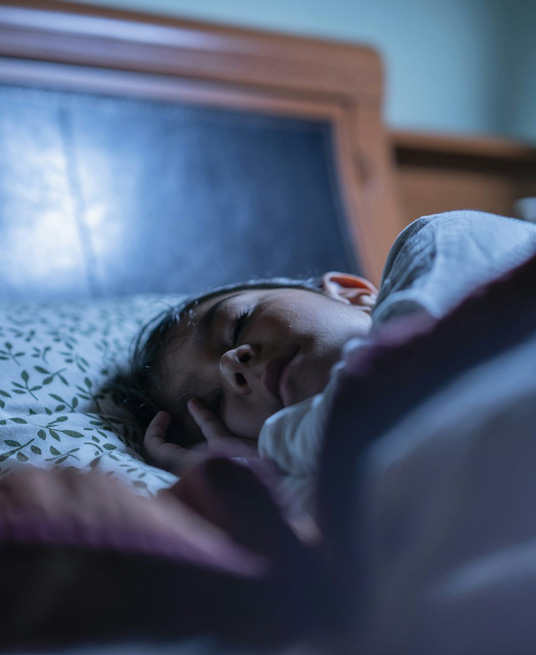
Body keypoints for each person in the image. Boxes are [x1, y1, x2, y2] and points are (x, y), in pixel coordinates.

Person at [121, 210, 536, 504]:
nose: (232, 367)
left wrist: (269, 448)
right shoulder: (346, 471)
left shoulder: (439, 241)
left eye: (237, 324)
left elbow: (401, 386)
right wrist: (242, 479)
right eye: (212, 407)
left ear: (351, 292)